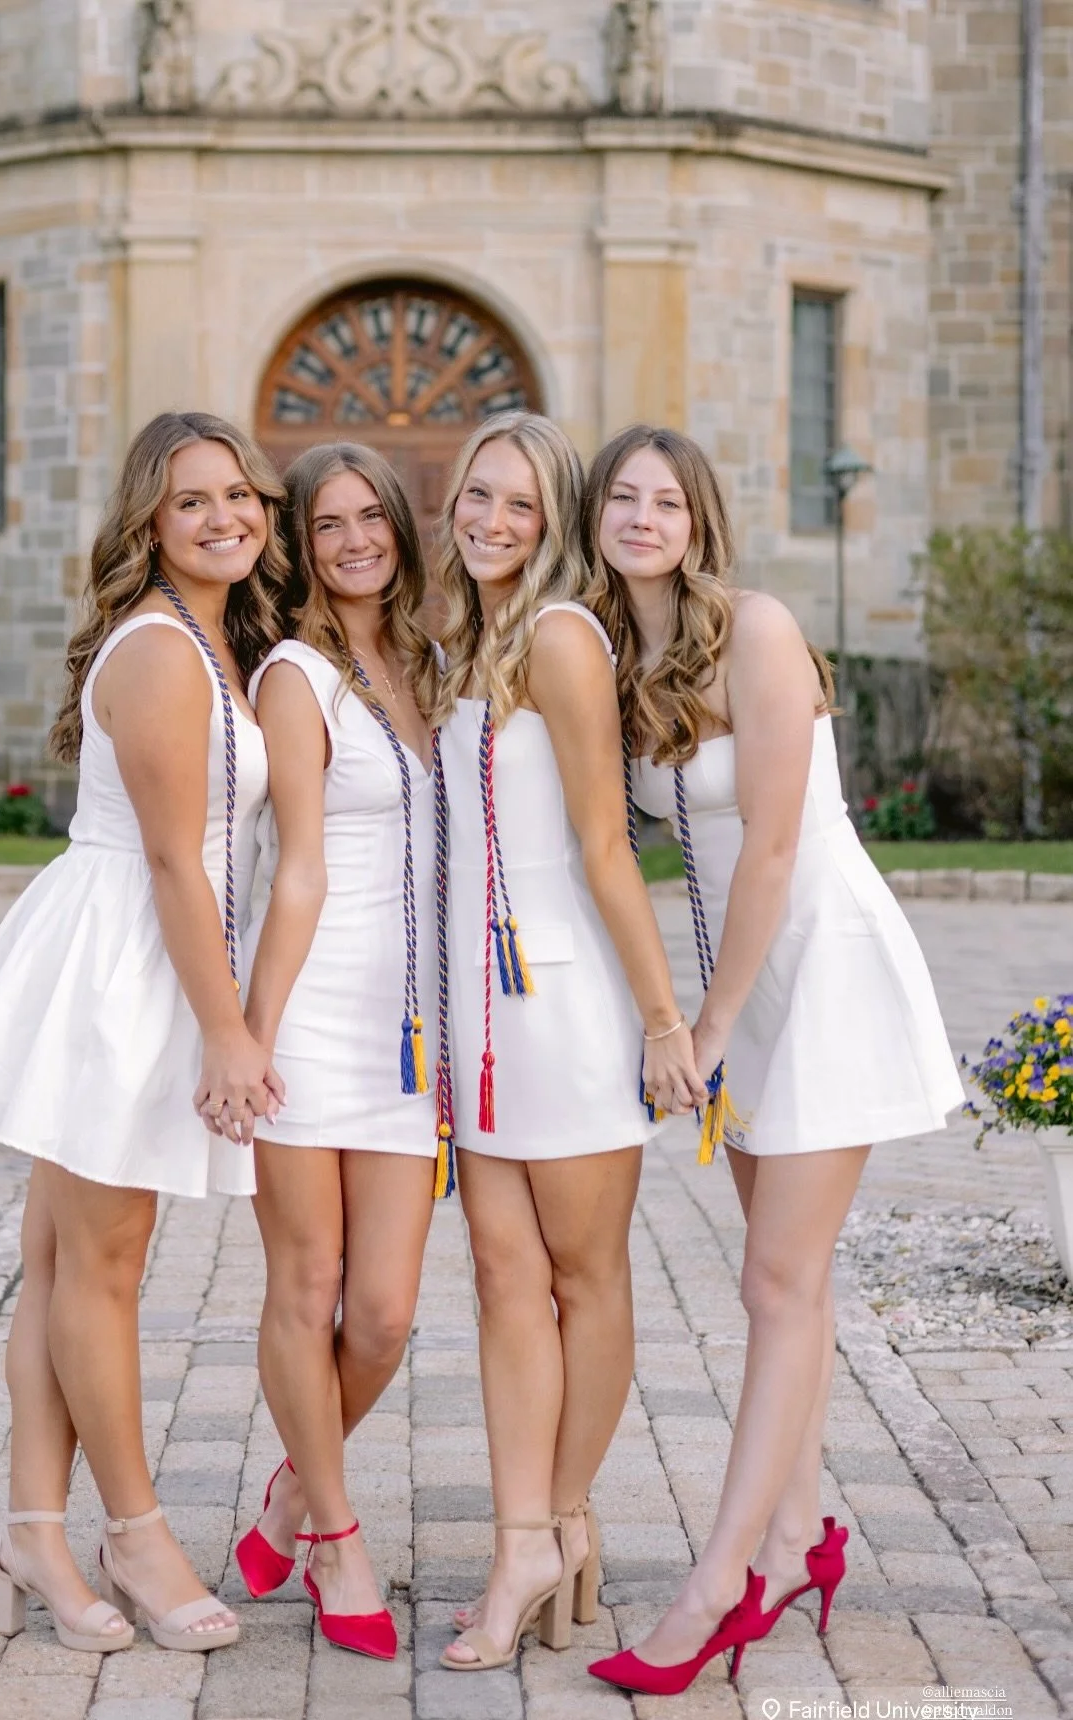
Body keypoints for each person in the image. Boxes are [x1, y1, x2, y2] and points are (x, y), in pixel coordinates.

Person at [584, 424, 963, 1697]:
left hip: (817, 970)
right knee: (788, 1285)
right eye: (623, 497)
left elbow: (775, 851)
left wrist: (709, 1021)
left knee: (773, 1284)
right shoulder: (618, 653)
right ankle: (801, 1540)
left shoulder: (757, 629)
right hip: (735, 976)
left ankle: (719, 1582)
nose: (643, 517)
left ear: (701, 521)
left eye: (667, 500)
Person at [0, 411, 288, 1655]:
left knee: (63, 1263)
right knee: (106, 1267)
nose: (226, 514)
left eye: (242, 493)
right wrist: (228, 1035)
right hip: (120, 967)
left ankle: (33, 1529)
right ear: (148, 522)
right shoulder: (167, 653)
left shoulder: (217, 639)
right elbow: (179, 860)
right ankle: (133, 1531)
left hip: (138, 947)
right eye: (193, 501)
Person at [432, 411, 706, 1674]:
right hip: (478, 1015)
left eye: (523, 507)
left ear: (554, 528)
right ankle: (531, 1533)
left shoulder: (559, 636)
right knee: (501, 1281)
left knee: (584, 1278)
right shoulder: (468, 639)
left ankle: (557, 1519)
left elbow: (607, 844)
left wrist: (664, 1020)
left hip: (566, 1004)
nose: (492, 520)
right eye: (478, 496)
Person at [232, 442, 441, 1661]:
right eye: (329, 523)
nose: (356, 538)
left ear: (399, 532)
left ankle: (292, 1491)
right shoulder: (295, 678)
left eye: (373, 517)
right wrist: (254, 1038)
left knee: (385, 1315)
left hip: (407, 1035)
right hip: (310, 1019)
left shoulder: (428, 663)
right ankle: (338, 1537)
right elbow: (296, 870)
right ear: (301, 546)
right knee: (307, 1291)